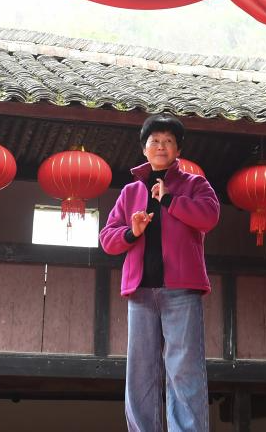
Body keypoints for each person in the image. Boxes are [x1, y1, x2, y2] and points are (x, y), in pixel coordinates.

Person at [100, 114, 220, 432]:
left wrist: (169, 199)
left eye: (168, 141)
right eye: (155, 141)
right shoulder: (130, 192)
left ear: (178, 149)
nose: (161, 147)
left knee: (184, 369)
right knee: (140, 372)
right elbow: (107, 239)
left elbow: (209, 217)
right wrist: (132, 232)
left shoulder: (195, 184)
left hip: (182, 291)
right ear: (144, 149)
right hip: (140, 292)